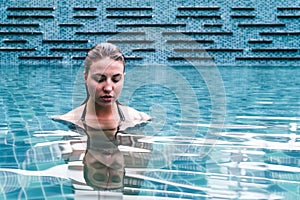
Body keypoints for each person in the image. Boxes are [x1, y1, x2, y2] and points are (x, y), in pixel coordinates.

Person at [52, 42, 151, 136]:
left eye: (116, 79)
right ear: (85, 77)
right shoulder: (68, 120)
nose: (108, 88)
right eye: (99, 79)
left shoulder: (140, 119)